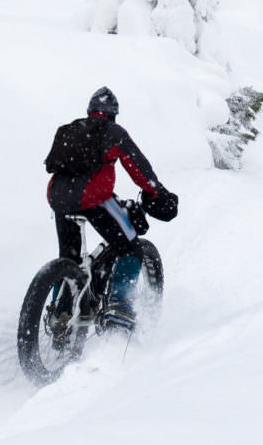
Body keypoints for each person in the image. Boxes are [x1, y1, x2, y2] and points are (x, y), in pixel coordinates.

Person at [43, 86, 178, 330]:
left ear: (90, 111)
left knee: (69, 257)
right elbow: (139, 169)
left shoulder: (71, 129)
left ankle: (60, 312)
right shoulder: (113, 132)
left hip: (58, 196)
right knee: (130, 248)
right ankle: (119, 306)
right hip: (93, 198)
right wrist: (157, 193)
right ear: (113, 114)